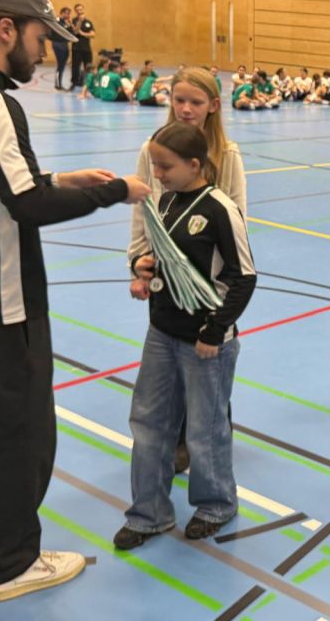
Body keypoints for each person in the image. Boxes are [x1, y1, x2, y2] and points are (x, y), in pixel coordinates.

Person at [0, 0, 150, 602]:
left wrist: (61, 177)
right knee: (15, 436)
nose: (46, 52)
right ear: (6, 29)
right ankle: (12, 563)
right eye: (41, 38)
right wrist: (113, 191)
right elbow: (27, 205)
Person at [114, 122, 256, 550]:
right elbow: (167, 259)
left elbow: (244, 277)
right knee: (149, 423)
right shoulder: (166, 201)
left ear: (195, 165)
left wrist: (214, 330)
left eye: (165, 166)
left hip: (205, 343)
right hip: (161, 333)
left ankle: (217, 505)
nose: (157, 174)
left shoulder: (220, 209)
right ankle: (149, 513)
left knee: (204, 429)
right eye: (154, 165)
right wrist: (143, 269)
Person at [127, 67, 247, 470]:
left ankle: (211, 440)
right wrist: (137, 263)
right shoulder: (153, 149)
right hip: (166, 280)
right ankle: (177, 438)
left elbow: (237, 218)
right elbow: (143, 212)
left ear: (213, 106)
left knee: (210, 365)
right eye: (179, 100)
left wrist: (221, 286)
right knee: (167, 361)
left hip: (209, 285)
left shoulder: (227, 154)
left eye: (195, 102)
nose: (185, 109)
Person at [69, 2, 94, 90]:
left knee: (88, 66)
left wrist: (82, 33)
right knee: (75, 66)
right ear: (75, 11)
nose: (79, 11)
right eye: (77, 10)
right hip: (76, 48)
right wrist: (80, 21)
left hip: (86, 48)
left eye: (81, 9)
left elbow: (93, 34)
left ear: (83, 9)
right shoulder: (73, 21)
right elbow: (75, 32)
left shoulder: (88, 22)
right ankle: (74, 83)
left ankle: (88, 83)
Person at [49, 6, 72, 90]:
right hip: (58, 44)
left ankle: (59, 83)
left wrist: (70, 24)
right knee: (60, 64)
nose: (68, 15)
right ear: (62, 13)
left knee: (62, 65)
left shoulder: (65, 22)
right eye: (67, 13)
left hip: (64, 44)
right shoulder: (57, 21)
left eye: (69, 13)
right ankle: (57, 84)